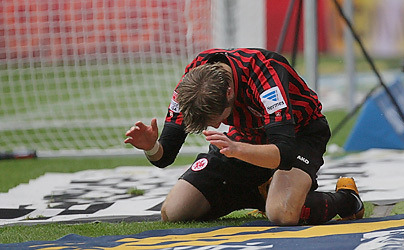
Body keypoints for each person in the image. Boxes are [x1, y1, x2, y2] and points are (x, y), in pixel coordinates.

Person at [124, 48, 364, 225]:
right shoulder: (193, 81)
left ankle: (346, 198)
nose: (216, 125)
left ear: (230, 92)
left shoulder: (264, 73)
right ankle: (263, 193)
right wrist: (151, 146)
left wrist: (237, 149)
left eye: (218, 117)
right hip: (243, 139)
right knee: (175, 212)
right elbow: (165, 156)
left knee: (282, 214)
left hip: (300, 134)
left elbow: (285, 153)